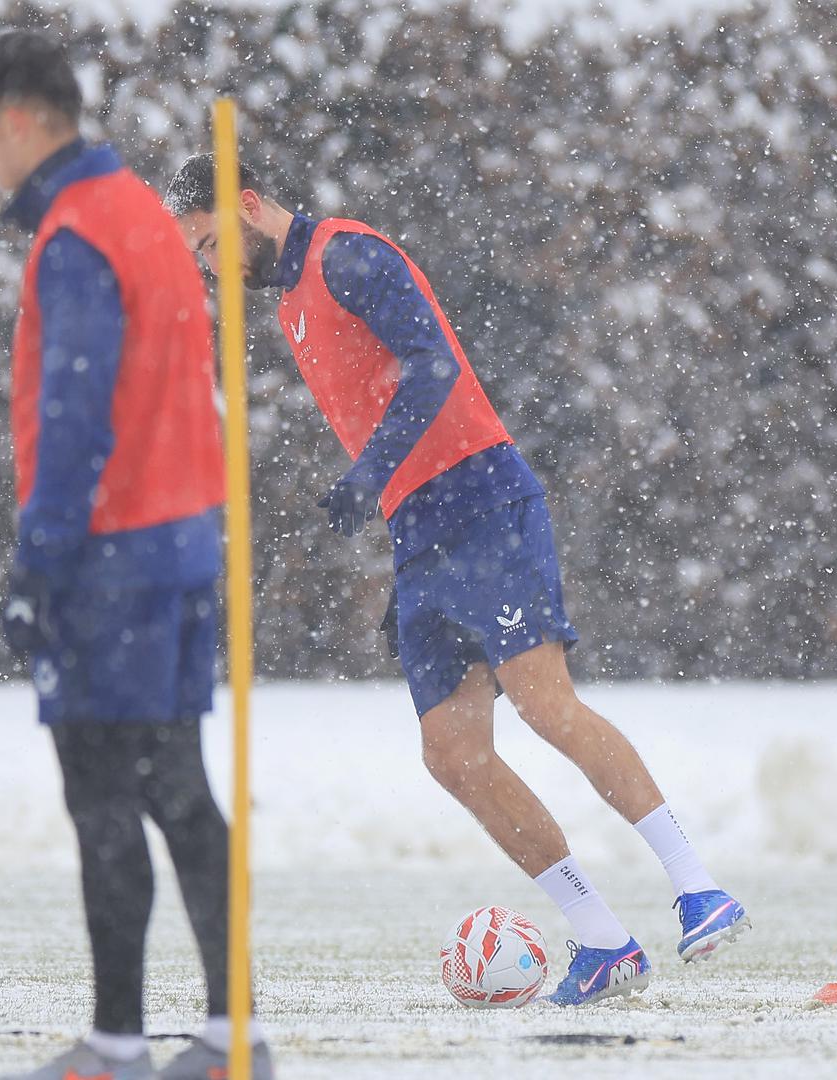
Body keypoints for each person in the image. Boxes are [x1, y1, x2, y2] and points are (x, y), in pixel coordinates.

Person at [164, 153, 749, 1006]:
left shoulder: (345, 254)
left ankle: (699, 887)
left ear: (247, 204)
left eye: (210, 243)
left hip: (482, 499)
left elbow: (433, 364)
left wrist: (370, 474)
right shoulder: (289, 306)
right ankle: (603, 940)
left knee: (544, 702)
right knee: (452, 753)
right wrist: (395, 520)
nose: (211, 266)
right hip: (420, 533)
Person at [0, 29, 272, 1080]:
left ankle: (117, 1043)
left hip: (109, 556)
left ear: (18, 121)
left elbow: (76, 411)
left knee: (100, 794)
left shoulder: (77, 233)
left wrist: (39, 559)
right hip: (182, 543)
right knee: (179, 787)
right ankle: (231, 1033)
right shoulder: (142, 214)